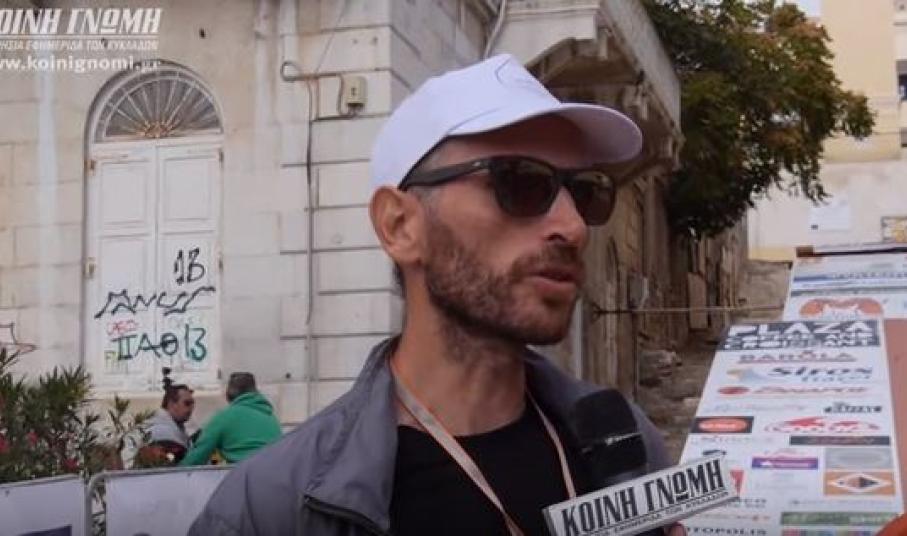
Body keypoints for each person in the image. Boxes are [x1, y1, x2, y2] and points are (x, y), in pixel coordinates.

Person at [190, 54, 684, 535]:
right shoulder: (273, 508)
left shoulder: (623, 443)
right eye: (522, 182)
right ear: (400, 225)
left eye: (585, 191)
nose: (573, 227)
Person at [180, 372, 282, 466]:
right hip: (276, 472)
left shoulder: (224, 417)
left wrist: (177, 470)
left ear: (229, 395)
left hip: (246, 474)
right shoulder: (271, 418)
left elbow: (197, 456)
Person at [145, 375, 194, 463]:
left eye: (192, 404)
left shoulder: (177, 427)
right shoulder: (161, 430)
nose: (191, 408)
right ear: (171, 404)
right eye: (187, 403)